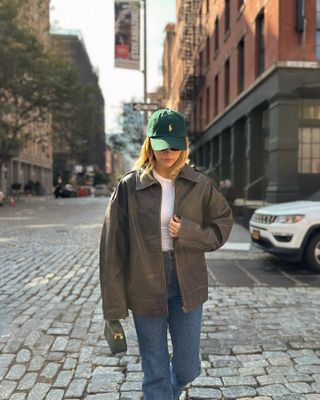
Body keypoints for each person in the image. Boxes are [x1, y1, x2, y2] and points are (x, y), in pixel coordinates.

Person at [99, 108, 233, 400]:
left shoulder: (199, 184)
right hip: (144, 283)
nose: (169, 152)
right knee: (155, 370)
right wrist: (113, 308)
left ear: (184, 145)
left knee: (187, 368)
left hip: (186, 284)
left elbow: (222, 224)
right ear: (150, 144)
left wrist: (188, 233)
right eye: (162, 146)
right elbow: (112, 248)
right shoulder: (129, 187)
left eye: (175, 145)